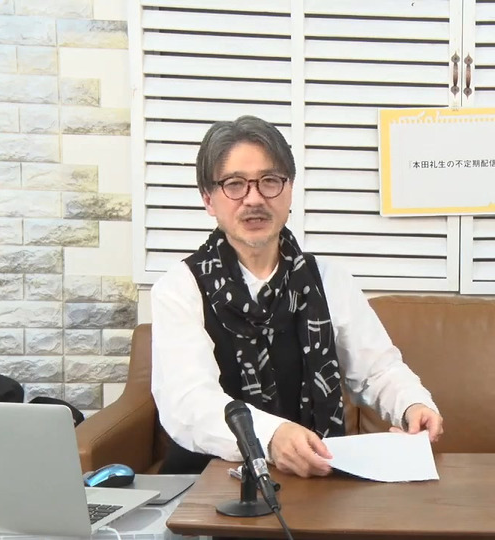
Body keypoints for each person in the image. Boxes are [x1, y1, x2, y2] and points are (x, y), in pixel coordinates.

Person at [151, 115, 444, 477]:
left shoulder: (329, 280)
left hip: (315, 474)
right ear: (209, 200)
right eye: (235, 184)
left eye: (270, 181)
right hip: (208, 479)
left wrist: (412, 405)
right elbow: (188, 402)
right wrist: (271, 436)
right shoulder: (180, 287)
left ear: (289, 190)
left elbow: (377, 370)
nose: (254, 199)